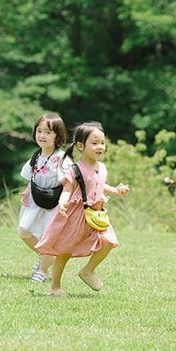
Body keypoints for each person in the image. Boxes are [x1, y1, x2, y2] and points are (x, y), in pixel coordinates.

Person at [35, 122, 129, 297]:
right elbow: (68, 190)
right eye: (94, 143)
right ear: (80, 145)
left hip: (97, 214)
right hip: (76, 216)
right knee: (65, 251)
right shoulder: (75, 169)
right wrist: (63, 203)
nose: (100, 147)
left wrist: (115, 190)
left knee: (109, 242)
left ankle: (88, 270)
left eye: (102, 142)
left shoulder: (102, 168)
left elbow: (99, 185)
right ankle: (55, 286)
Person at [18, 113, 70, 282]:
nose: (42, 135)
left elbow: (68, 182)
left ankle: (42, 271)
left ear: (58, 136)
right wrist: (27, 191)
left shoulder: (61, 158)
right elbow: (32, 177)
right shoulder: (36, 156)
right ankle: (46, 257)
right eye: (39, 131)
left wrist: (65, 202)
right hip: (35, 200)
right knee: (24, 231)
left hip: (55, 203)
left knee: (49, 237)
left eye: (48, 132)